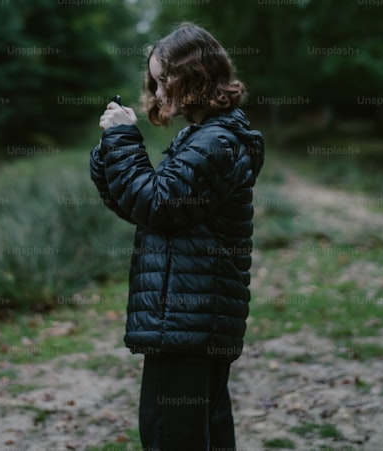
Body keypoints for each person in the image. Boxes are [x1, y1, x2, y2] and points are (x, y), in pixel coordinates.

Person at [90, 22, 265, 450]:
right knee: (202, 433)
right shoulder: (205, 137)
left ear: (195, 76)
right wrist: (109, 150)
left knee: (173, 436)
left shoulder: (217, 142)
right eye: (154, 78)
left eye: (165, 77)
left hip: (187, 320)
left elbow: (157, 204)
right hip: (189, 320)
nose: (159, 88)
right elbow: (143, 209)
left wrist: (122, 140)